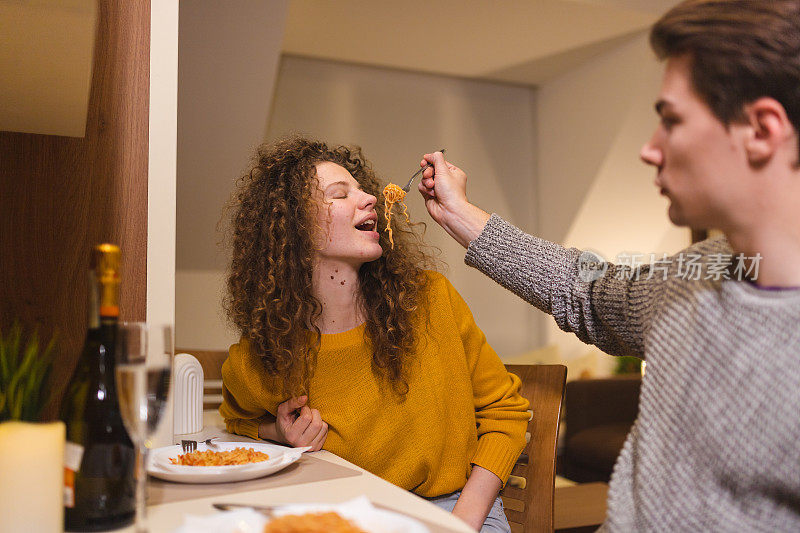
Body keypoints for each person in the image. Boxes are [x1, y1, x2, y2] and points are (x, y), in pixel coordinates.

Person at [418, 0, 800, 531]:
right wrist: (463, 218)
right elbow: (584, 290)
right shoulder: (689, 277)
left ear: (761, 130)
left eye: (671, 120)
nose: (649, 148)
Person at [219, 137, 529, 532]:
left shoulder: (432, 300)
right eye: (339, 193)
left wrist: (462, 522)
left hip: (454, 508)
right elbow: (234, 416)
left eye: (362, 188)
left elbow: (506, 412)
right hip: (347, 513)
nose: (369, 198)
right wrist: (276, 431)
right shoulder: (274, 346)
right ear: (292, 226)